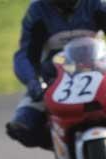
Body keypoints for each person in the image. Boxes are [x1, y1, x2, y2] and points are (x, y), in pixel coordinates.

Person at [6, 0, 106, 149]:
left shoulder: (96, 4)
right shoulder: (37, 10)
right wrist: (33, 81)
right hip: (54, 79)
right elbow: (24, 55)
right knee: (23, 126)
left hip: (98, 73)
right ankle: (64, 151)